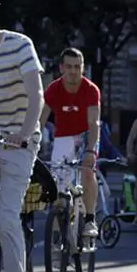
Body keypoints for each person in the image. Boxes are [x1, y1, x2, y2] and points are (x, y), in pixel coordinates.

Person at [0, 0, 44, 272]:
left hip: (17, 141)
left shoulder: (19, 45)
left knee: (7, 216)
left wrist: (24, 134)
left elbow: (36, 94)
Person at [41, 47, 101, 238]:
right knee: (58, 179)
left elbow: (94, 124)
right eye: (69, 66)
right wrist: (30, 143)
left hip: (85, 134)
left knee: (87, 170)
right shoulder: (53, 89)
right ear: (61, 68)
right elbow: (40, 121)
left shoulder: (91, 90)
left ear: (82, 68)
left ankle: (90, 219)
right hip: (63, 137)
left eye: (77, 66)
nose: (73, 71)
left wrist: (91, 151)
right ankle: (61, 224)